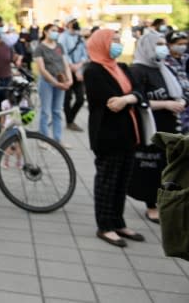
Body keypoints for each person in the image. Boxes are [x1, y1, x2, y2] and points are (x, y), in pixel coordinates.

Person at [83, 29, 147, 247]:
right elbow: (110, 102)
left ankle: (118, 222)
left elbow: (140, 92)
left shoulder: (122, 68)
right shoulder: (93, 71)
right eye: (114, 41)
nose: (118, 45)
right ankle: (105, 226)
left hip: (130, 133)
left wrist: (129, 98)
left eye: (119, 41)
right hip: (108, 135)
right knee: (107, 182)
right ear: (102, 43)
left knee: (122, 182)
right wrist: (131, 98)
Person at [129, 31, 187, 224]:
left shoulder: (162, 68)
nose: (163, 48)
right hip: (151, 128)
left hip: (170, 127)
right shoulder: (138, 70)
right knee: (152, 169)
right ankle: (151, 205)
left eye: (163, 44)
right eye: (159, 44)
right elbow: (138, 100)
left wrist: (177, 102)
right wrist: (166, 105)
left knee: (168, 168)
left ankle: (166, 203)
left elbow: (173, 92)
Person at [33, 24, 73, 147]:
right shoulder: (40, 48)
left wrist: (69, 79)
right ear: (45, 31)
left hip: (61, 78)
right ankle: (43, 138)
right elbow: (42, 69)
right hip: (47, 82)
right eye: (53, 30)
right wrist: (55, 83)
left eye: (57, 31)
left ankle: (58, 138)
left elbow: (65, 64)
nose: (55, 33)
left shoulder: (59, 46)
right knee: (45, 111)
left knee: (57, 111)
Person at [58, 18, 88, 132]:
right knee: (67, 97)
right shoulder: (63, 37)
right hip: (66, 70)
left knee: (80, 98)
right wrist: (71, 67)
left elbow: (85, 54)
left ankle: (70, 119)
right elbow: (63, 54)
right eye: (72, 21)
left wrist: (79, 66)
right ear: (68, 24)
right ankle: (69, 122)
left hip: (78, 70)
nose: (75, 24)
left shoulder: (80, 37)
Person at [164, 30, 189, 134]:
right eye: (179, 44)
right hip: (175, 104)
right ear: (169, 44)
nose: (183, 47)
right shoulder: (164, 62)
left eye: (185, 44)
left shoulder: (186, 58)